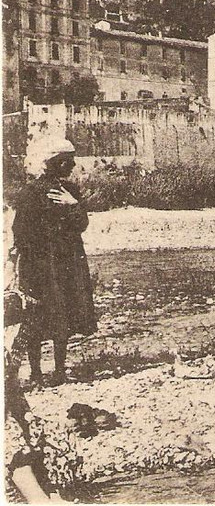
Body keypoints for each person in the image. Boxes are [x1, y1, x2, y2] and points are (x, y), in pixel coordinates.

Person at [11, 138, 96, 385]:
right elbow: (20, 230)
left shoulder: (70, 192)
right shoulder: (30, 193)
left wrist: (74, 205)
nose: (72, 166)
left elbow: (81, 225)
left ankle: (58, 370)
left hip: (64, 263)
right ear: (56, 164)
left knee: (62, 314)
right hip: (41, 264)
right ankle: (37, 373)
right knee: (36, 316)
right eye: (67, 162)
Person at [4, 292, 77, 503]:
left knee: (36, 437)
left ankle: (51, 495)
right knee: (14, 443)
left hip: (9, 404)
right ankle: (39, 499)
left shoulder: (15, 343)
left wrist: (25, 413)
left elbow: (11, 387)